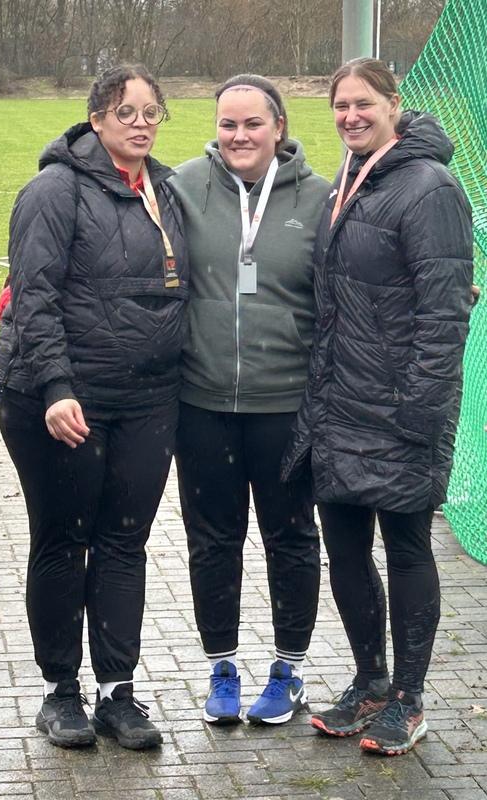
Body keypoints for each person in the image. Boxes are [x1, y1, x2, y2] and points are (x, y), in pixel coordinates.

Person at [0, 64, 188, 750]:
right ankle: (60, 692)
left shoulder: (168, 190)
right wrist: (56, 386)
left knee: (124, 541)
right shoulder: (54, 190)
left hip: (146, 398)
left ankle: (117, 693)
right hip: (59, 397)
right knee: (63, 538)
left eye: (150, 112)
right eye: (125, 112)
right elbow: (35, 296)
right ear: (96, 118)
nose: (140, 123)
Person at [282, 58, 474, 756]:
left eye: (363, 103)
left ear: (394, 104)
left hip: (399, 407)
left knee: (405, 547)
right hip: (339, 403)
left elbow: (444, 312)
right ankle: (369, 682)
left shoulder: (429, 187)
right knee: (343, 546)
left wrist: (419, 408)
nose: (350, 116)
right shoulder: (353, 178)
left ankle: (408, 700)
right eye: (340, 105)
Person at [169, 75, 330, 725]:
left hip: (286, 403)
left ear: (279, 126)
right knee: (212, 540)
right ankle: (222, 668)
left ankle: (288, 670)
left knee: (290, 538)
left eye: (252, 123)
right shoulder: (183, 187)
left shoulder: (320, 198)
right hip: (202, 403)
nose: (238, 136)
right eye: (227, 124)